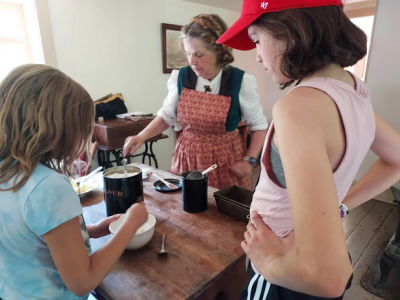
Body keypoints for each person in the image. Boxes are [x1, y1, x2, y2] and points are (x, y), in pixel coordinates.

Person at [217, 0, 400, 299]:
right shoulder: (353, 89)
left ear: (289, 33)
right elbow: (397, 159)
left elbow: (329, 278)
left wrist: (267, 262)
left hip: (289, 273)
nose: (258, 57)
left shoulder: (297, 108)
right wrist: (341, 205)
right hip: (311, 256)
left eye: (257, 41)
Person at [0, 64, 148, 299]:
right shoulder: (48, 187)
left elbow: (29, 236)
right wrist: (130, 223)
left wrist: (89, 231)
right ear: (56, 129)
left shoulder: (7, 173)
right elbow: (83, 282)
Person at [123, 14, 268, 190]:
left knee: (223, 212)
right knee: (186, 207)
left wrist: (249, 160)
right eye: (188, 54)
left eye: (199, 54)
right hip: (188, 157)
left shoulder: (240, 81)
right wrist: (141, 136)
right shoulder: (181, 77)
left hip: (225, 159)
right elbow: (167, 116)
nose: (192, 62)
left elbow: (259, 126)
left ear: (219, 52)